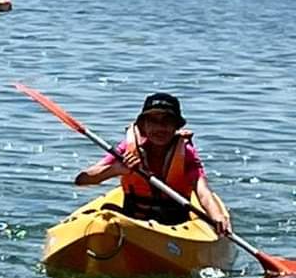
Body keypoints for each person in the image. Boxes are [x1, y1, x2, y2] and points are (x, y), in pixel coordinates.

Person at [74, 92, 231, 233]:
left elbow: (203, 191)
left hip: (172, 226)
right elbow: (82, 179)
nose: (160, 128)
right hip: (132, 221)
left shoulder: (186, 153)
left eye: (167, 121)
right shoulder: (128, 150)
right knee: (107, 211)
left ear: (176, 126)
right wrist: (116, 170)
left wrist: (217, 216)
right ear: (143, 126)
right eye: (153, 121)